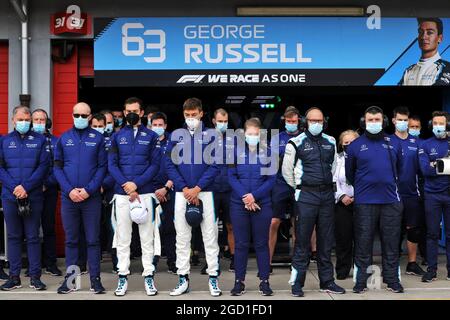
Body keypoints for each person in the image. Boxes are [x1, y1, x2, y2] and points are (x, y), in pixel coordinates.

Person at [282, 107, 345, 297]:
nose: (316, 124)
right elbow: (287, 172)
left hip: (326, 196)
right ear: (305, 122)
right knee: (302, 242)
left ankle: (327, 281)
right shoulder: (295, 142)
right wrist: (300, 188)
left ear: (323, 122)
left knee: (326, 242)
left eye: (319, 121)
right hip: (306, 197)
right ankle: (297, 284)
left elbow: (333, 168)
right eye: (312, 121)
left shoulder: (331, 141)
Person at [345, 106, 404, 294]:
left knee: (391, 243)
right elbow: (349, 174)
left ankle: (392, 280)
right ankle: (361, 281)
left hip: (390, 202)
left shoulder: (394, 143)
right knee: (363, 243)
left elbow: (400, 170)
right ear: (364, 122)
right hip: (365, 202)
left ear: (384, 121)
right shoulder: (354, 145)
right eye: (370, 120)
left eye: (377, 119)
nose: (373, 123)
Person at [165, 97, 221, 297]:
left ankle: (213, 280)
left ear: (201, 114)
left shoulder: (212, 135)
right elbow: (169, 165)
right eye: (187, 115)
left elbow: (215, 165)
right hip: (182, 193)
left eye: (194, 115)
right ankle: (183, 280)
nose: (191, 118)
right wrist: (185, 188)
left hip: (205, 192)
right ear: (183, 115)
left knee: (210, 237)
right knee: (182, 238)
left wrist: (197, 188)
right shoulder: (175, 136)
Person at [108, 97, 161, 296]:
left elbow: (155, 165)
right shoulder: (117, 136)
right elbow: (112, 164)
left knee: (147, 239)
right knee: (123, 239)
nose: (131, 113)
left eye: (135, 110)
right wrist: (127, 186)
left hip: (145, 193)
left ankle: (149, 277)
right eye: (128, 110)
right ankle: (122, 278)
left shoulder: (152, 136)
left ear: (141, 112)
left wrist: (136, 184)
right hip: (122, 195)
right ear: (124, 112)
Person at [54, 102, 107, 294]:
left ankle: (95, 280)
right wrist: (69, 190)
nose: (80, 118)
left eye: (84, 116)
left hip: (90, 198)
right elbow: (57, 167)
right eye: (77, 115)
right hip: (69, 199)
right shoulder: (63, 139)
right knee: (71, 241)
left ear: (90, 116)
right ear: (72, 115)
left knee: (93, 240)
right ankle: (70, 281)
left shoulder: (98, 138)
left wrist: (89, 190)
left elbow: (102, 167)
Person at [0, 106, 49, 291]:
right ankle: (14, 277)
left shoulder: (40, 140)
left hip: (33, 196)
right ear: (13, 120)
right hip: (10, 196)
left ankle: (35, 277)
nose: (24, 122)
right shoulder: (4, 141)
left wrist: (26, 187)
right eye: (20, 119)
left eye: (27, 120)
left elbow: (43, 166)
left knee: (33, 237)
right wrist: (15, 188)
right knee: (13, 236)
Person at [228, 118, 276, 296]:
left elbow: (271, 179)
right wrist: (246, 198)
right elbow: (231, 177)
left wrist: (254, 196)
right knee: (240, 244)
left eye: (256, 134)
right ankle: (239, 282)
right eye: (250, 134)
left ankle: (264, 281)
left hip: (262, 204)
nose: (253, 137)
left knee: (261, 243)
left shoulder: (269, 153)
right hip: (239, 204)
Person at [390, 107, 426, 276]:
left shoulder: (417, 142)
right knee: (392, 230)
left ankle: (411, 263)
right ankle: (391, 263)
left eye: (406, 120)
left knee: (413, 229)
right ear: (393, 121)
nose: (403, 123)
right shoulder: (387, 141)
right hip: (391, 194)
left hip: (412, 193)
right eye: (400, 119)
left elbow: (423, 169)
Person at [418, 111, 450, 282]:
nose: (438, 126)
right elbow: (425, 170)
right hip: (432, 195)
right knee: (431, 234)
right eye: (435, 123)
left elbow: (432, 167)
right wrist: (445, 165)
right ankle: (431, 270)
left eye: (442, 123)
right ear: (431, 125)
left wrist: (436, 163)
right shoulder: (424, 144)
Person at [31, 108, 63, 276]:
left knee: (49, 227)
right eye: (35, 120)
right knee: (31, 229)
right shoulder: (25, 140)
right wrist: (34, 185)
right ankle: (33, 265)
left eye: (42, 120)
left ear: (47, 122)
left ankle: (50, 263)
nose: (38, 123)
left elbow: (57, 167)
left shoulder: (56, 142)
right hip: (30, 191)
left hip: (49, 190)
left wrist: (46, 184)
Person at [269, 106, 301, 271]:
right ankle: (266, 263)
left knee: (297, 224)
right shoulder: (277, 138)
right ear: (284, 121)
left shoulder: (304, 137)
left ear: (298, 120)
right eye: (288, 121)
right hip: (280, 184)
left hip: (298, 185)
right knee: (274, 221)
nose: (291, 123)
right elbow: (270, 163)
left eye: (293, 121)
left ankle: (296, 263)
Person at [150, 112, 177, 274]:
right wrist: (154, 191)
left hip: (169, 190)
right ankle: (151, 263)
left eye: (161, 125)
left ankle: (172, 262)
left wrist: (166, 188)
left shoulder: (173, 142)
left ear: (165, 126)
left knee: (170, 229)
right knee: (151, 230)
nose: (158, 128)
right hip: (151, 191)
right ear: (150, 125)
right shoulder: (146, 141)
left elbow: (177, 166)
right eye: (155, 125)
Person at [211, 108, 235, 272]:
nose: (223, 124)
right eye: (220, 121)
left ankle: (234, 258)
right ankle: (211, 261)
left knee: (231, 226)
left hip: (229, 189)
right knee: (210, 227)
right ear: (213, 121)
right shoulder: (205, 138)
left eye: (225, 121)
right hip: (211, 189)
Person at [333, 130, 359, 280]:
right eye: (346, 143)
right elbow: (333, 181)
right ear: (341, 145)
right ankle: (343, 269)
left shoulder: (363, 158)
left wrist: (357, 196)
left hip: (361, 202)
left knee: (361, 238)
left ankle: (360, 270)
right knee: (343, 238)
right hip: (342, 203)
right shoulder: (337, 159)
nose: (349, 145)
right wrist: (341, 196)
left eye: (352, 142)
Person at [399, 18, 450, 86]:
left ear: (440, 38)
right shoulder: (409, 71)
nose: (423, 37)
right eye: (420, 32)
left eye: (429, 33)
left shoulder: (447, 68)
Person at [100, 110, 118, 272]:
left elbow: (115, 167)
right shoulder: (91, 141)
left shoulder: (117, 140)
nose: (106, 126)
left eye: (110, 122)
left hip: (111, 189)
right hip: (91, 190)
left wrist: (103, 185)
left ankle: (116, 263)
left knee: (114, 229)